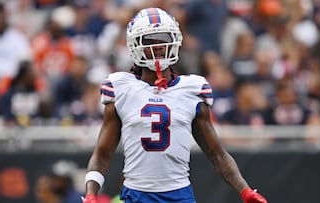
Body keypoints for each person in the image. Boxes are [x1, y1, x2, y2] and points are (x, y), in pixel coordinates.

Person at [82, 7, 268, 203]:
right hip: (136, 194)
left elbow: (217, 154)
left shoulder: (192, 90)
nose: (159, 45)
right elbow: (102, 154)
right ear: (135, 44)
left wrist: (245, 191)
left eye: (163, 38)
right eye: (150, 40)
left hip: (179, 195)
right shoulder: (121, 87)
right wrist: (91, 193)